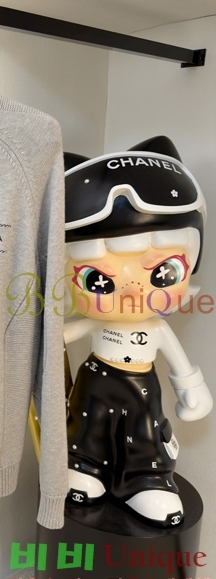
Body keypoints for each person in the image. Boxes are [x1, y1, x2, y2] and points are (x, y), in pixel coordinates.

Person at [62, 136, 213, 527]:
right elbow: (62, 337)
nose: (132, 292)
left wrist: (192, 388)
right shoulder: (98, 321)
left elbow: (178, 362)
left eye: (162, 273)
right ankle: (84, 466)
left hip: (140, 388)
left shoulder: (157, 327)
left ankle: (146, 480)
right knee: (86, 427)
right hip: (94, 382)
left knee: (144, 433)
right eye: (98, 280)